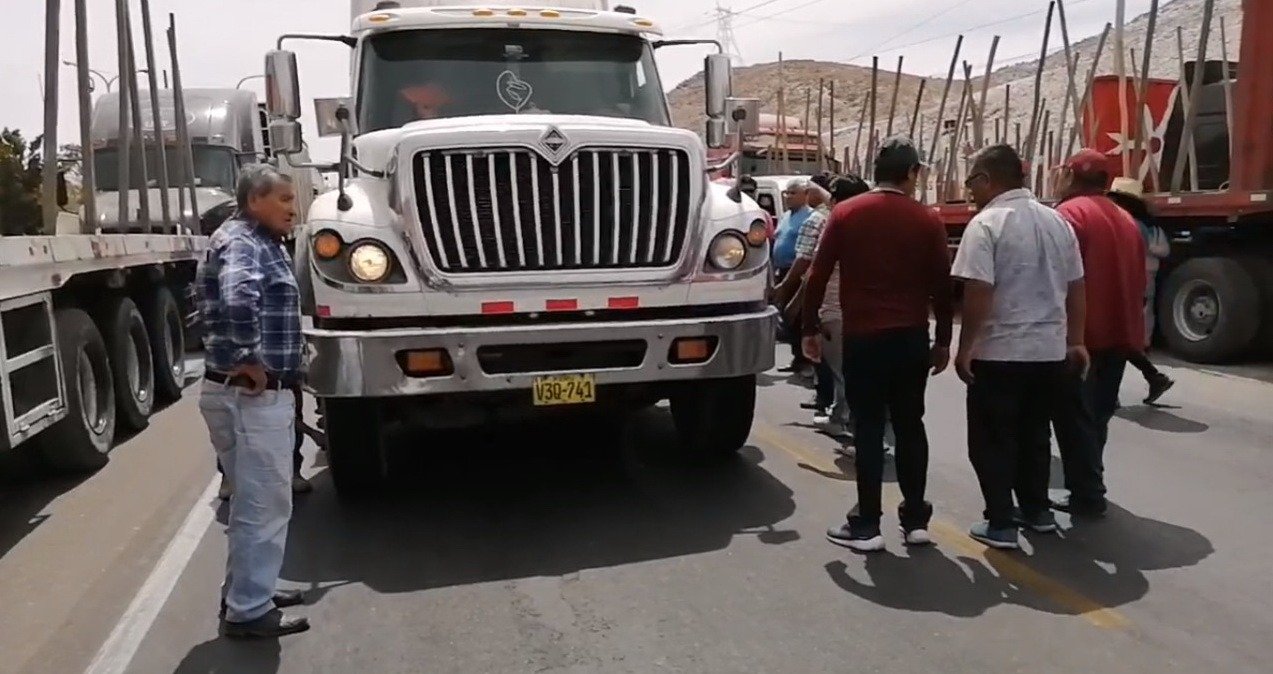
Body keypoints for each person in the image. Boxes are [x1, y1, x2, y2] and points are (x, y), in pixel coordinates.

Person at [802, 136, 954, 552]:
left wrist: (808, 328)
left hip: (864, 338)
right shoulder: (927, 220)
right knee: (910, 425)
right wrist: (942, 340)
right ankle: (916, 521)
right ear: (912, 173)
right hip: (909, 339)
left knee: (868, 428)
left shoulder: (847, 213)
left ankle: (867, 524)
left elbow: (817, 274)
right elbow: (943, 285)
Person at [953, 145, 1088, 549]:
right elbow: (1077, 285)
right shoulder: (1057, 222)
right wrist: (1076, 339)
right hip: (1048, 352)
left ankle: (1001, 523)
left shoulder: (986, 224)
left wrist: (967, 346)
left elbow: (979, 288)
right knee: (1034, 436)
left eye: (971, 182)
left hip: (1000, 351)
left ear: (986, 180)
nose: (970, 191)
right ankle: (1037, 511)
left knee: (992, 440)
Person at [197, 164, 310, 638]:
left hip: (234, 394)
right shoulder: (245, 242)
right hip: (253, 398)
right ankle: (248, 610)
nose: (292, 208)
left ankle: (248, 589)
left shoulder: (250, 238)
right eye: (283, 199)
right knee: (265, 505)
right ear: (253, 202)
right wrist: (250, 358)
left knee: (250, 502)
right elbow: (240, 298)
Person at [1050, 150, 1148, 519]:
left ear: (1071, 177)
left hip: (1083, 336)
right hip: (1120, 332)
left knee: (1075, 418)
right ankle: (1089, 483)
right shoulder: (1125, 218)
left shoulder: (1069, 216)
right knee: (1099, 415)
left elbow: (1059, 280)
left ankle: (1088, 493)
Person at [812, 174, 872, 441]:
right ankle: (839, 414)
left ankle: (853, 426)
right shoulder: (873, 226)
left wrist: (808, 318)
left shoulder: (834, 226)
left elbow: (816, 273)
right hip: (866, 311)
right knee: (851, 371)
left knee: (843, 372)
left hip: (835, 309)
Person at [1107, 177, 1174, 404]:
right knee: (1120, 340)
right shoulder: (1145, 227)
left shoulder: (1124, 224)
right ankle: (1152, 376)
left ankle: (1112, 392)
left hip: (1125, 287)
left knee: (1113, 340)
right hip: (1140, 287)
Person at [772, 179, 818, 375]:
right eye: (787, 193)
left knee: (798, 315)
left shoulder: (811, 217)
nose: (788, 197)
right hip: (781, 271)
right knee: (786, 316)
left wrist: (787, 281)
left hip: (797, 273)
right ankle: (797, 357)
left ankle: (806, 361)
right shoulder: (785, 216)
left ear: (805, 194)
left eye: (793, 193)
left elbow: (805, 255)